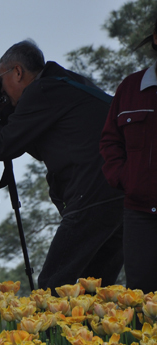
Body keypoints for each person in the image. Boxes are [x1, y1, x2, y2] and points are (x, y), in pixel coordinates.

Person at [0, 40, 124, 292]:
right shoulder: (70, 83)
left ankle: (47, 332)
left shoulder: (41, 91)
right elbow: (44, 144)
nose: (1, 87)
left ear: (17, 72)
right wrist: (8, 113)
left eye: (1, 78)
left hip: (90, 195)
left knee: (54, 286)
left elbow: (3, 146)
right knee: (92, 288)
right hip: (120, 197)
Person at [100, 19, 157, 294]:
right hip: (139, 214)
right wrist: (125, 178)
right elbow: (110, 141)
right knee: (142, 301)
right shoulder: (131, 87)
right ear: (156, 38)